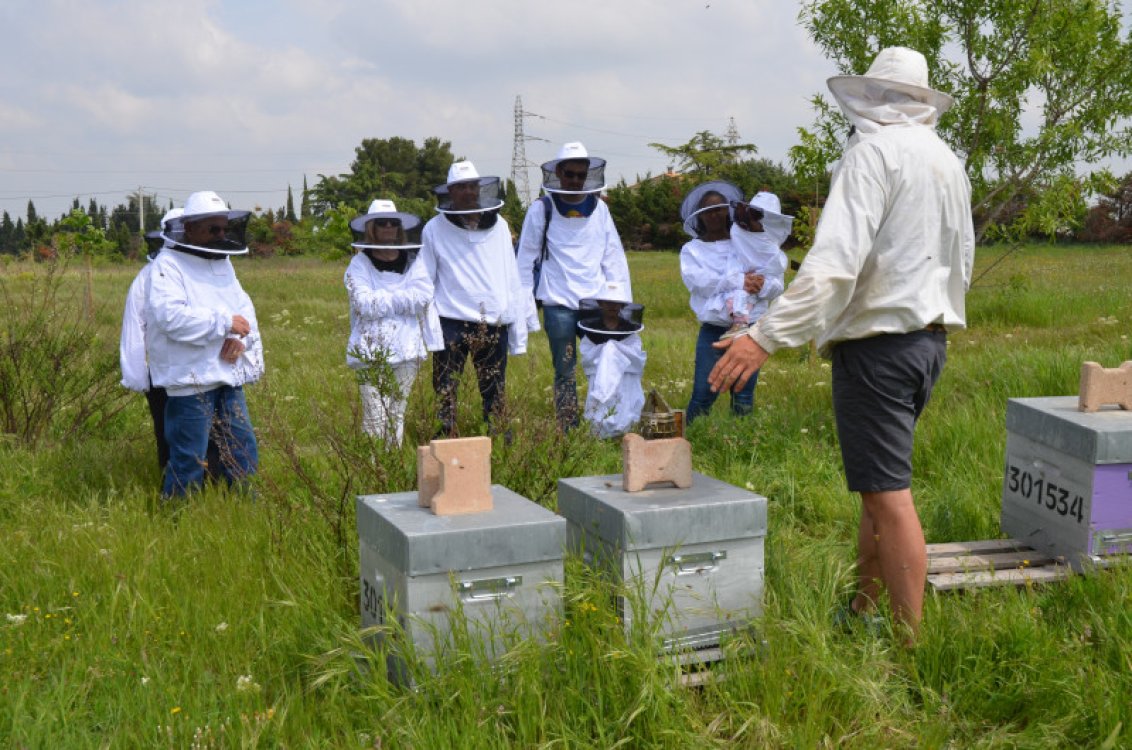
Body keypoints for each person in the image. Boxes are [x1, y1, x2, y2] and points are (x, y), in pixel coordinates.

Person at [709, 47, 974, 638]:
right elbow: (962, 258)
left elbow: (832, 268)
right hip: (928, 344)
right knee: (876, 489)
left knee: (889, 496)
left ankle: (910, 643)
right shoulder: (946, 161)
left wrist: (764, 337)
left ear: (873, 96)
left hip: (879, 349)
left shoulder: (870, 155)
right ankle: (863, 608)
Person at [147, 190, 264, 498]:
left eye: (224, 228)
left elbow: (244, 311)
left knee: (243, 448)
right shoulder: (167, 265)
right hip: (190, 379)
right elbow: (169, 318)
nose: (221, 235)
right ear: (191, 228)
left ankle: (247, 511)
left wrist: (241, 339)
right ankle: (175, 517)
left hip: (226, 374)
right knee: (189, 457)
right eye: (214, 229)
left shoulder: (224, 263)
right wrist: (224, 323)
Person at [516, 142, 631, 430]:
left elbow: (613, 256)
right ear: (558, 172)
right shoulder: (541, 209)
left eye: (581, 175)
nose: (576, 180)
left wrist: (621, 301)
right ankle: (568, 427)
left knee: (603, 363)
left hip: (596, 304)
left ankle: (603, 422)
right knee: (565, 370)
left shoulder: (600, 209)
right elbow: (525, 260)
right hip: (559, 305)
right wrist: (524, 307)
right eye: (570, 174)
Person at [418, 161, 533, 438]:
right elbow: (425, 280)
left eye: (472, 186)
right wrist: (428, 327)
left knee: (494, 386)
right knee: (445, 387)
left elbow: (511, 276)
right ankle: (446, 438)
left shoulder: (501, 226)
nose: (467, 192)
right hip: (451, 321)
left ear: (480, 189)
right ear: (450, 192)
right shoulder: (433, 229)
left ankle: (498, 437)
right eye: (461, 187)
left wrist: (517, 322)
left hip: (493, 321)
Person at [679, 181, 787, 423]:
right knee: (703, 390)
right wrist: (739, 282)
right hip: (714, 329)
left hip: (750, 329)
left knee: (743, 391)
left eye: (719, 209)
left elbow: (774, 281)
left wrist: (760, 285)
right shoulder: (692, 250)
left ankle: (742, 440)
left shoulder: (746, 240)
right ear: (699, 215)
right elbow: (699, 282)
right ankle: (691, 434)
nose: (714, 214)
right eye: (708, 210)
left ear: (727, 211)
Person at [344, 199, 442, 446]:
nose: (388, 227)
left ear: (399, 228)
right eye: (381, 223)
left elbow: (423, 296)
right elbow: (364, 304)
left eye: (392, 223)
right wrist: (403, 298)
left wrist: (386, 300)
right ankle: (374, 471)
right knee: (375, 417)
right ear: (372, 228)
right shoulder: (359, 264)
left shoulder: (414, 261)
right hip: (370, 353)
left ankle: (394, 472)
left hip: (408, 350)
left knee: (397, 415)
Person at [575, 281, 646, 438]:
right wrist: (608, 353)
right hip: (599, 377)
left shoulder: (629, 328)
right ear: (600, 303)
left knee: (625, 403)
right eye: (608, 302)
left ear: (622, 305)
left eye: (616, 302)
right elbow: (587, 355)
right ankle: (600, 432)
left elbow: (635, 355)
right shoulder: (592, 328)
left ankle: (626, 431)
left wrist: (613, 352)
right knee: (601, 407)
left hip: (626, 377)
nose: (612, 306)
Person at [722, 190, 793, 337]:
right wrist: (742, 281)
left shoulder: (773, 252)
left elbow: (777, 288)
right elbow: (713, 280)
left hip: (755, 320)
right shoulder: (736, 236)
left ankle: (740, 322)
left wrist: (761, 284)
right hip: (721, 319)